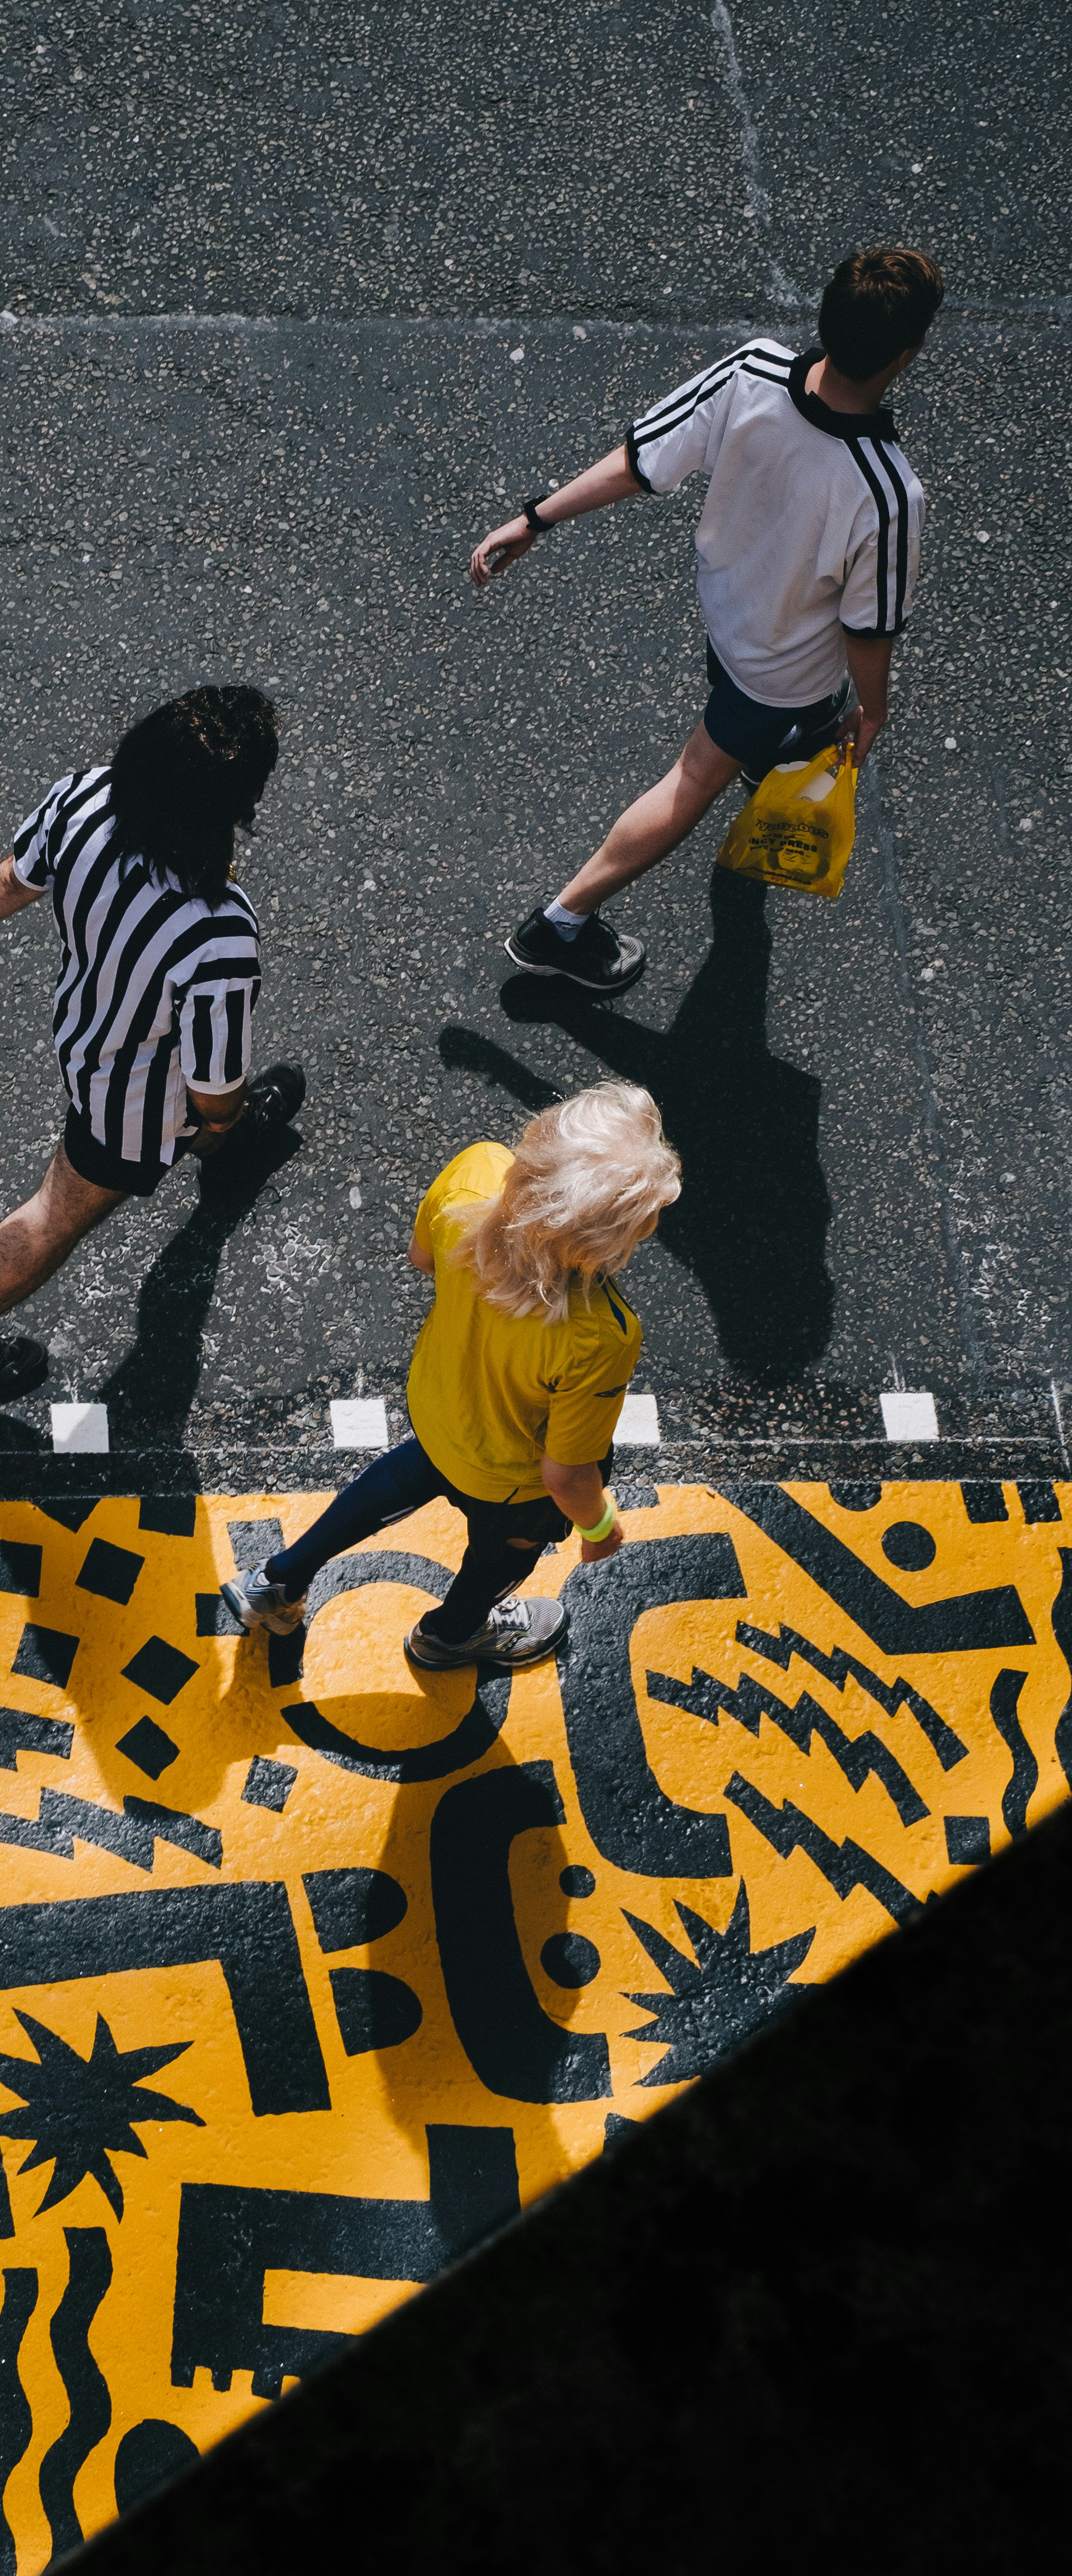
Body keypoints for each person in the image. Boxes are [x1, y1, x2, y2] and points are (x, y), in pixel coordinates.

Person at [470, 246, 944, 996]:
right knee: (691, 783)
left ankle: (763, 756)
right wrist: (874, 712)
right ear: (906, 355)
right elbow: (867, 630)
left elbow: (639, 461)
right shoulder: (888, 494)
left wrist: (534, 519)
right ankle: (558, 924)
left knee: (752, 732)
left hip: (724, 617)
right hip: (777, 676)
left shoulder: (751, 371)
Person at [0, 685, 305, 1412]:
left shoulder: (86, 798)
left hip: (88, 1030)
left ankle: (223, 1152)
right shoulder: (215, 933)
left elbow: (19, 877)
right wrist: (219, 1121)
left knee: (190, 1133)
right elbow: (211, 1086)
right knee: (57, 1212)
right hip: (135, 1105)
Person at [222, 1083, 679, 1667]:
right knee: (503, 1558)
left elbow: (421, 1256)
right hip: (510, 1481)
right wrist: (599, 1528)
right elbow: (565, 1474)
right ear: (603, 1241)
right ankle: (451, 1636)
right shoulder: (599, 1333)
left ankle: (276, 1581)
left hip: (439, 1404)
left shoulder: (478, 1171)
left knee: (404, 1475)